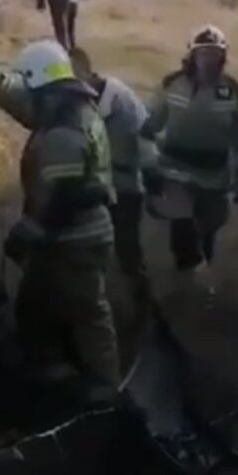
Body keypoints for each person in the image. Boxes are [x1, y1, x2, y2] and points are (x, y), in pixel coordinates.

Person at [0, 39, 121, 398]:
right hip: (68, 238)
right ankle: (50, 375)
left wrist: (31, 230)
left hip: (75, 240)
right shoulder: (64, 107)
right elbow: (22, 103)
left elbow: (65, 194)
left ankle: (106, 391)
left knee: (86, 314)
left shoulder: (64, 128)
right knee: (35, 308)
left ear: (39, 83)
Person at [140, 25, 238, 275]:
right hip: (174, 171)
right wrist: (148, 167)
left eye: (214, 53)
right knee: (182, 231)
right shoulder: (172, 86)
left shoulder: (233, 93)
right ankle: (186, 277)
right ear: (192, 56)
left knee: (207, 229)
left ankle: (200, 279)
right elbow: (147, 128)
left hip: (214, 176)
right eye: (203, 53)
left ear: (223, 57)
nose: (208, 59)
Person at [69, 46, 158, 318]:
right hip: (101, 188)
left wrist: (152, 178)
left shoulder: (119, 100)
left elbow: (145, 142)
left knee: (127, 250)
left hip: (127, 188)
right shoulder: (83, 104)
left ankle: (144, 309)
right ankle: (95, 306)